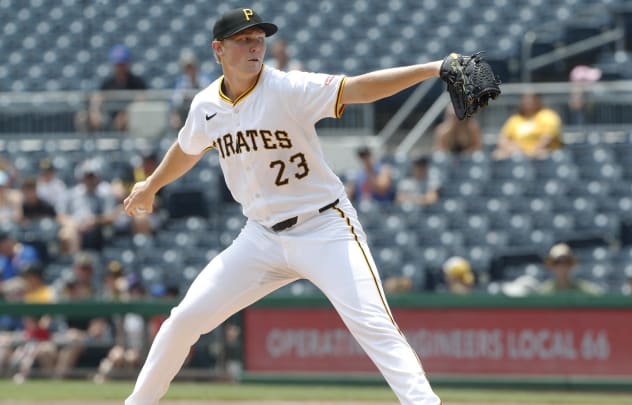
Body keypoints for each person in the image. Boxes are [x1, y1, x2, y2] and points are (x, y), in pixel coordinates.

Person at [122, 7, 443, 404]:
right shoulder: (206, 104)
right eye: (244, 39)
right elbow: (187, 148)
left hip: (324, 227)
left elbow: (359, 88)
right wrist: (152, 185)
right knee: (184, 320)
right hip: (259, 236)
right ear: (218, 49)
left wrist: (434, 68)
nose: (255, 46)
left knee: (374, 325)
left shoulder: (288, 88)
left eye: (259, 38)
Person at [75, 44, 148, 132]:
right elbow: (97, 98)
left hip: (132, 123)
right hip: (109, 120)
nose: (120, 68)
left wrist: (126, 114)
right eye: (118, 64)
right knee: (82, 117)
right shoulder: (108, 83)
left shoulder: (137, 82)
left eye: (122, 64)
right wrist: (95, 111)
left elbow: (142, 100)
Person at [57, 159, 117, 253]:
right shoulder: (72, 193)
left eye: (92, 176)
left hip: (97, 231)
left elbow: (111, 217)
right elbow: (60, 216)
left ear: (98, 177)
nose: (90, 180)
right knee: (67, 233)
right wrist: (73, 223)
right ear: (81, 178)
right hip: (76, 227)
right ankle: (72, 262)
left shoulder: (105, 193)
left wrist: (95, 220)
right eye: (87, 177)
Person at [493, 92, 563, 160]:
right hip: (519, 152)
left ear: (537, 100)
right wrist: (512, 148)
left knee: (542, 155)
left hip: (541, 151)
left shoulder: (548, 115)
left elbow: (548, 138)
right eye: (525, 100)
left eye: (531, 99)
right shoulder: (515, 119)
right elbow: (502, 139)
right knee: (498, 154)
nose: (528, 102)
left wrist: (532, 152)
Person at [169, 50, 214, 130]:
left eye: (191, 67)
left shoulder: (205, 80)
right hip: (186, 114)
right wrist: (175, 114)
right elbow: (175, 102)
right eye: (187, 68)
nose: (190, 70)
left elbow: (212, 98)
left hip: (204, 113)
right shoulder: (181, 82)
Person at [537, 243, 603, 295]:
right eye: (557, 262)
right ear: (552, 266)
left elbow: (600, 298)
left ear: (571, 265)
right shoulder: (544, 292)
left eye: (566, 262)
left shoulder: (584, 289)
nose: (562, 266)